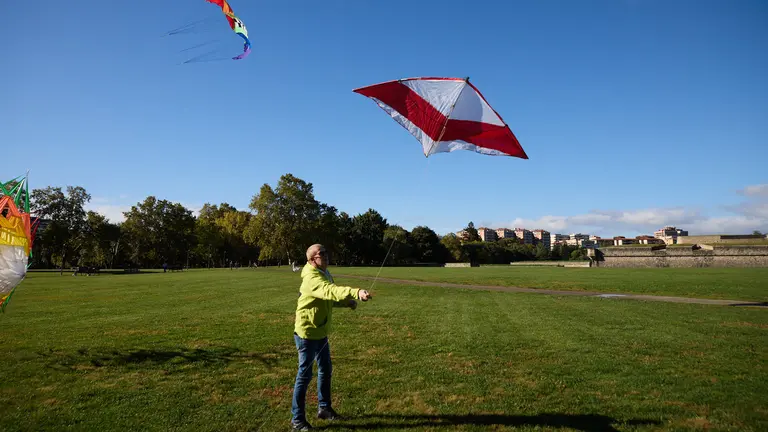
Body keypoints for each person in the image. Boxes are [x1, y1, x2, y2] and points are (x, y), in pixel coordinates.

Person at [290, 243, 372, 430]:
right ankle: (297, 420)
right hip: (307, 333)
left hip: (321, 332)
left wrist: (347, 303)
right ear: (312, 259)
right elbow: (330, 291)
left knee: (326, 369)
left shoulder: (325, 273)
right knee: (304, 376)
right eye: (321, 254)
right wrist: (356, 292)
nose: (326, 255)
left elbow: (329, 299)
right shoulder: (312, 278)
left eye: (326, 252)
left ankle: (324, 408)